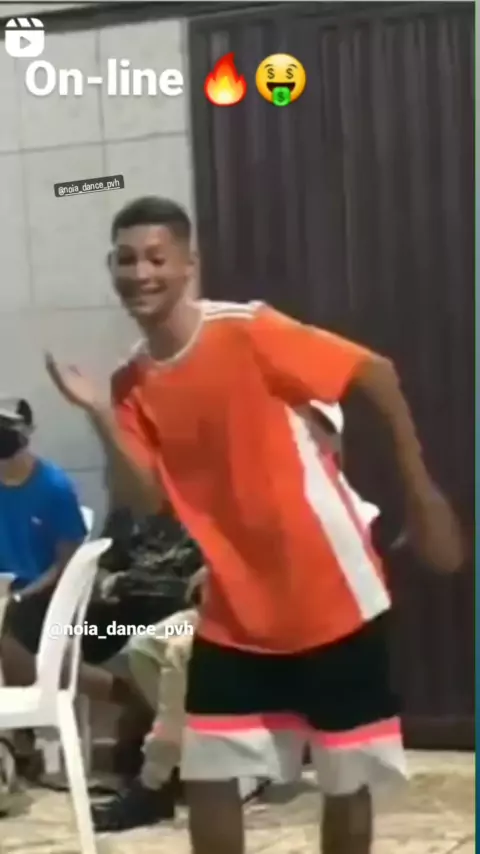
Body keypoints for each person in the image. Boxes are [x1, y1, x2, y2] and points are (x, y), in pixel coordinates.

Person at [45, 196, 464, 854]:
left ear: (188, 264)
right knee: (207, 772)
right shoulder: (130, 385)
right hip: (235, 610)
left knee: (345, 781)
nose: (141, 273)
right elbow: (145, 498)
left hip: (332, 594)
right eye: (126, 260)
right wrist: (100, 414)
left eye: (156, 257)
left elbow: (375, 372)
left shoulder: (247, 330)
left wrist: (421, 492)